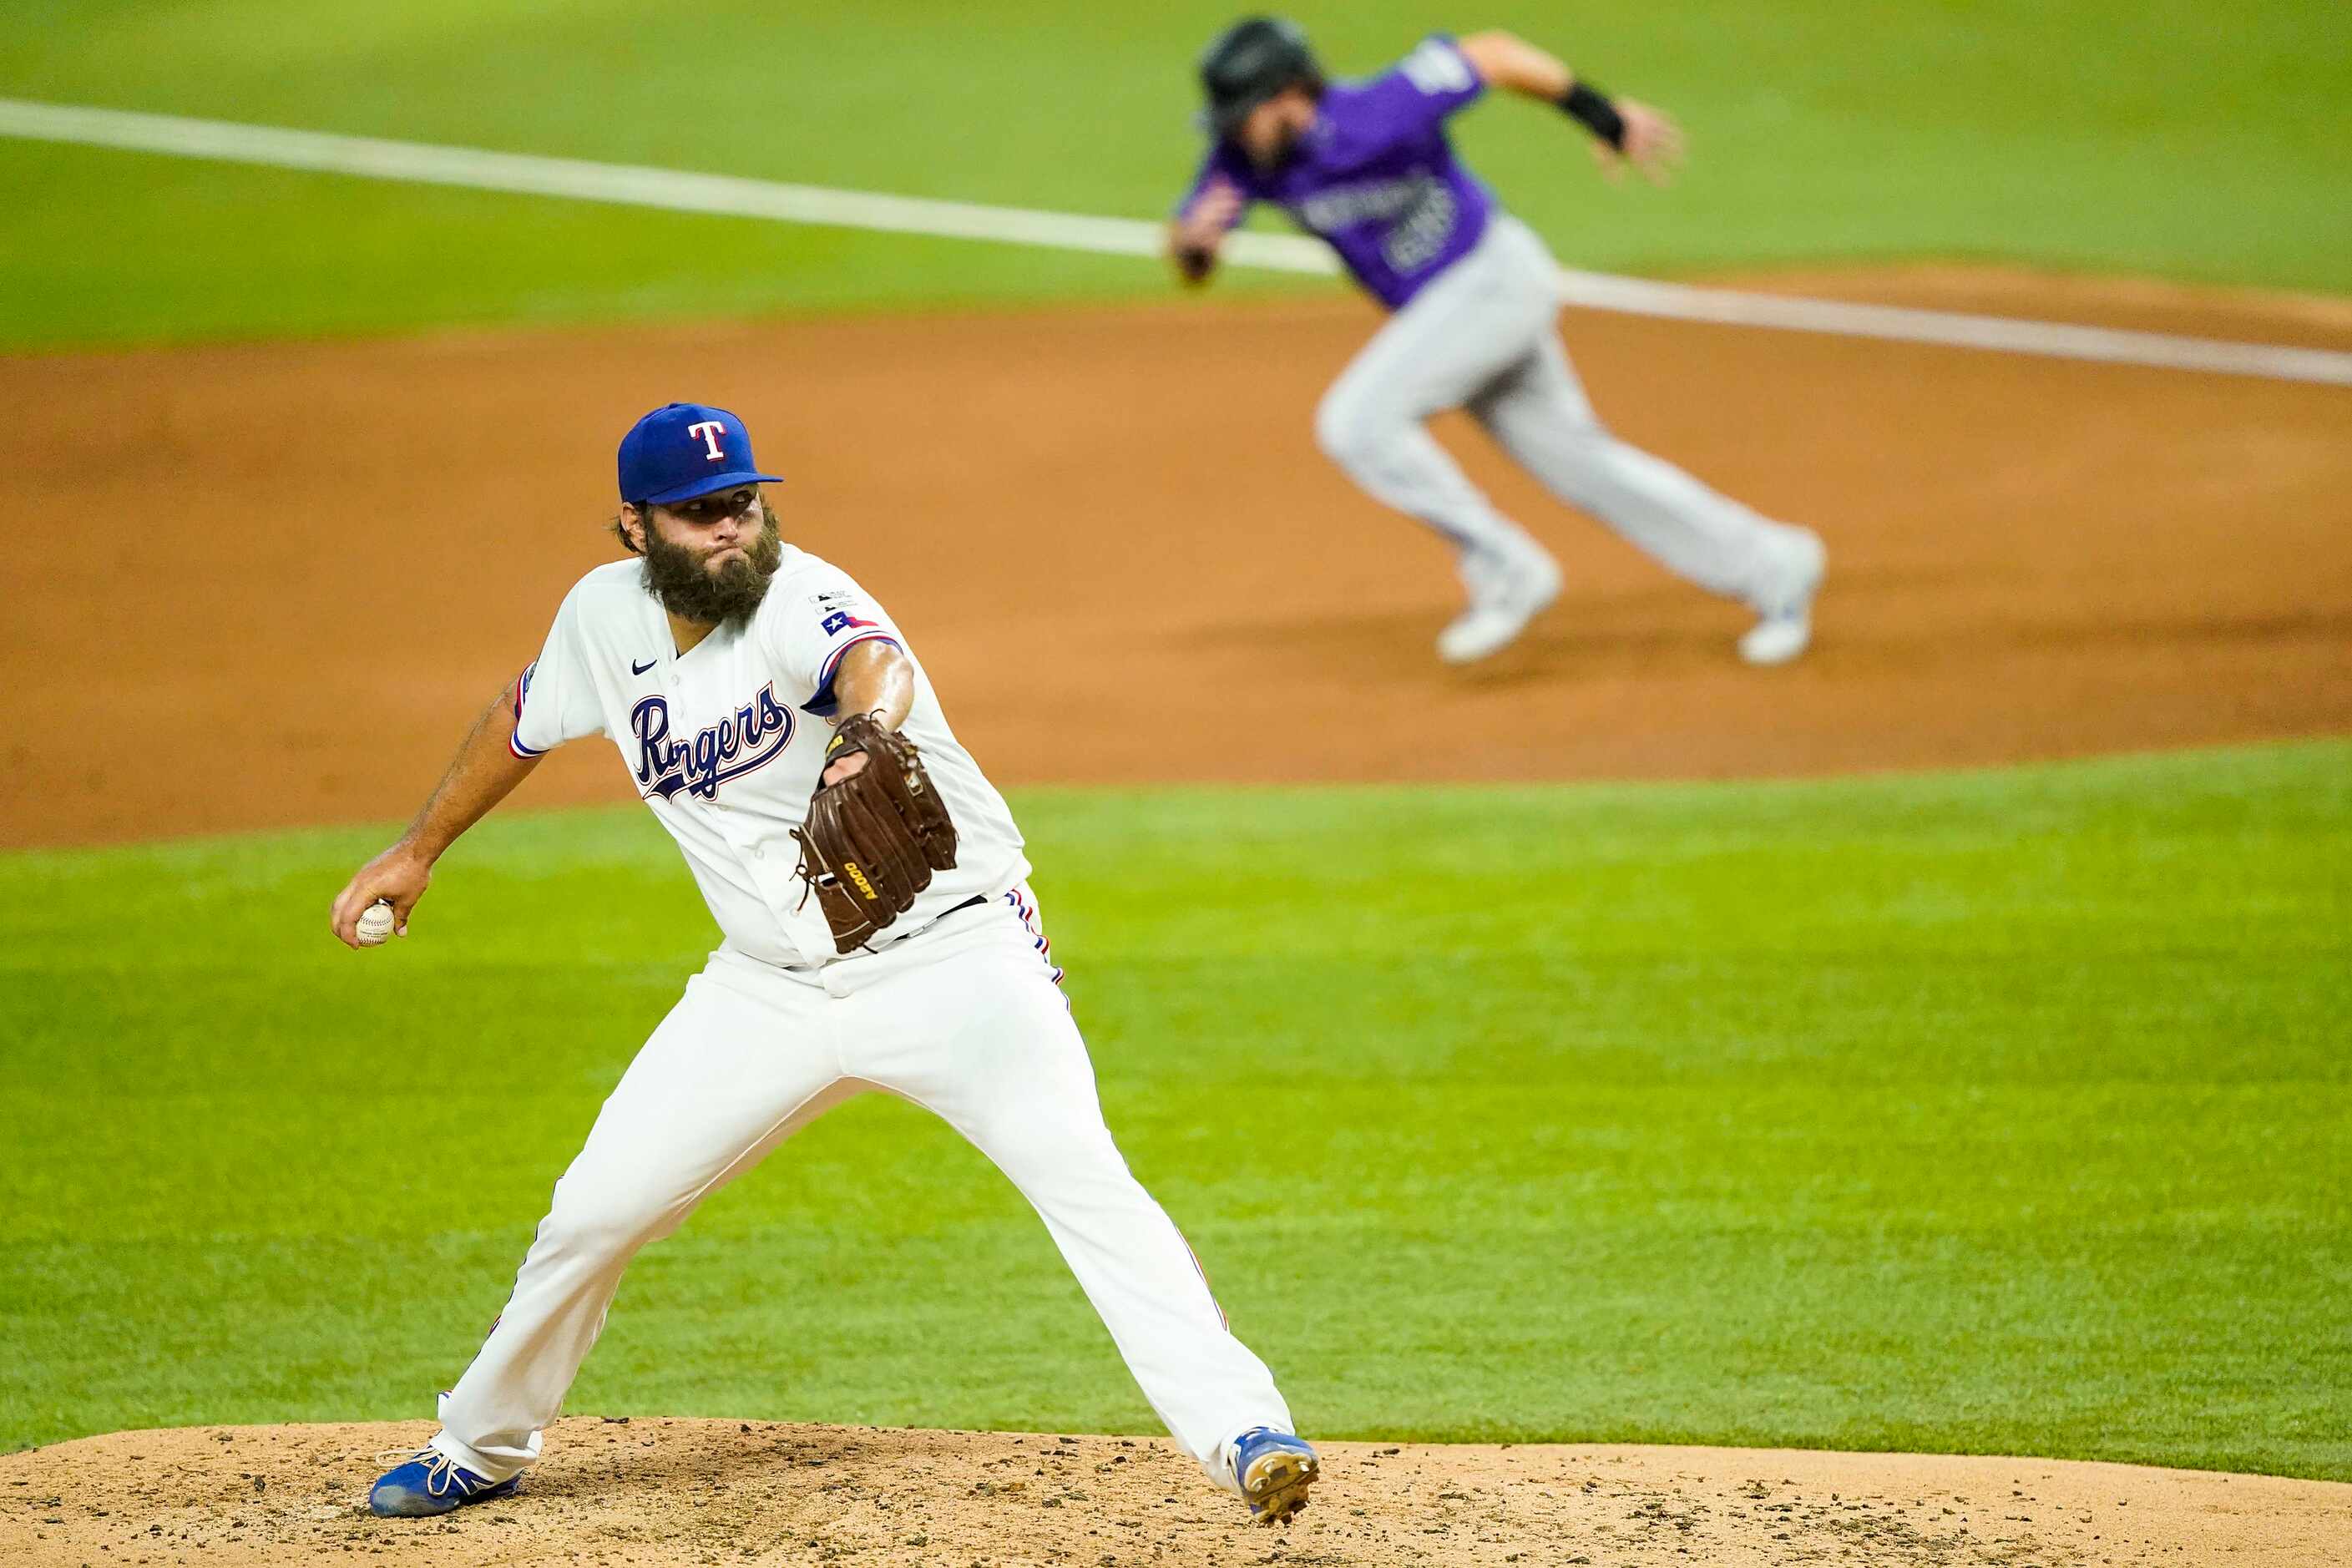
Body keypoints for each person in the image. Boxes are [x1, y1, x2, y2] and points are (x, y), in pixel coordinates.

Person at [331, 402, 1318, 1526]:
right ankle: (481, 1442)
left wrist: (867, 732)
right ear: (634, 527)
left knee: (1081, 1176)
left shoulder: (800, 596)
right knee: (594, 1213)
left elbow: (871, 663)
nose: (731, 529)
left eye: (743, 503)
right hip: (765, 989)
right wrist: (418, 849)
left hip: (952, 957)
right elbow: (522, 713)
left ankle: (1245, 1430)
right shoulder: (601, 621)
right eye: (700, 513)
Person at [1169, 17, 1826, 665]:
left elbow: (1495, 54)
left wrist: (1604, 117)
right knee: (1585, 466)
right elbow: (1192, 264)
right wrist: (1193, 245)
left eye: (1243, 111)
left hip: (1494, 279)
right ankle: (1775, 566)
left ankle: (1504, 566)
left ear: (1291, 94)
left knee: (1356, 423)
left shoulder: (1378, 109)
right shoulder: (1242, 158)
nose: (1231, 126)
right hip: (1447, 314)